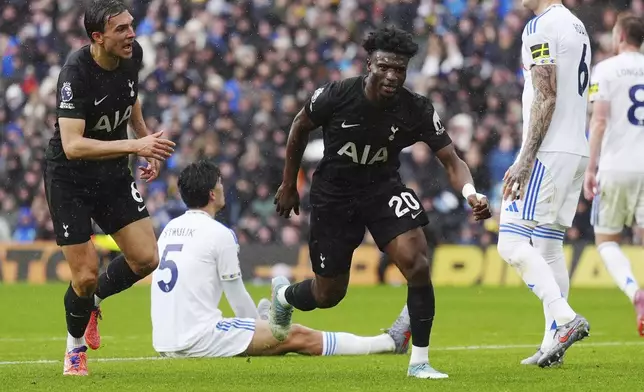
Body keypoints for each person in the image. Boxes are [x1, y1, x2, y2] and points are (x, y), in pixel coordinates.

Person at [271, 26, 492, 379]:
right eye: (385, 67)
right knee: (328, 294)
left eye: (399, 70)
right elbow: (299, 126)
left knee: (417, 264)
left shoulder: (415, 108)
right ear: (369, 64)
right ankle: (284, 297)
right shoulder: (338, 94)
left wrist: (470, 194)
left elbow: (452, 160)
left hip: (382, 188)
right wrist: (288, 184)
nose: (392, 76)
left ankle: (419, 361)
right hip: (334, 193)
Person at [150, 160, 412, 359]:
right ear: (211, 194)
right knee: (292, 334)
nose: (222, 187)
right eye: (219, 183)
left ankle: (271, 317)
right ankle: (389, 343)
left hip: (165, 340)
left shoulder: (169, 229)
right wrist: (261, 328)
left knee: (281, 333)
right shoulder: (219, 233)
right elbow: (236, 296)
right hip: (196, 339)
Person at [43, 0, 175, 376]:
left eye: (131, 26)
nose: (131, 34)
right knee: (83, 276)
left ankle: (93, 302)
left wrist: (145, 139)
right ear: (97, 37)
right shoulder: (75, 74)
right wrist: (136, 146)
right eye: (121, 29)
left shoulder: (132, 56)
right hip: (70, 177)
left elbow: (130, 98)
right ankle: (74, 348)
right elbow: (73, 145)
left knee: (147, 258)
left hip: (112, 173)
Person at [498, 0, 591, 368]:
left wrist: (525, 157)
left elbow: (546, 94)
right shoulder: (578, 26)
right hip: (576, 149)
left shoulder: (539, 26)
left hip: (548, 151)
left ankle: (565, 320)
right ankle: (552, 345)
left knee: (510, 241)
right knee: (549, 248)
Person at [583, 13, 644, 336]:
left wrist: (590, 167)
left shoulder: (605, 70)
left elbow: (600, 121)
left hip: (616, 166)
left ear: (620, 36)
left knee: (606, 240)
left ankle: (635, 291)